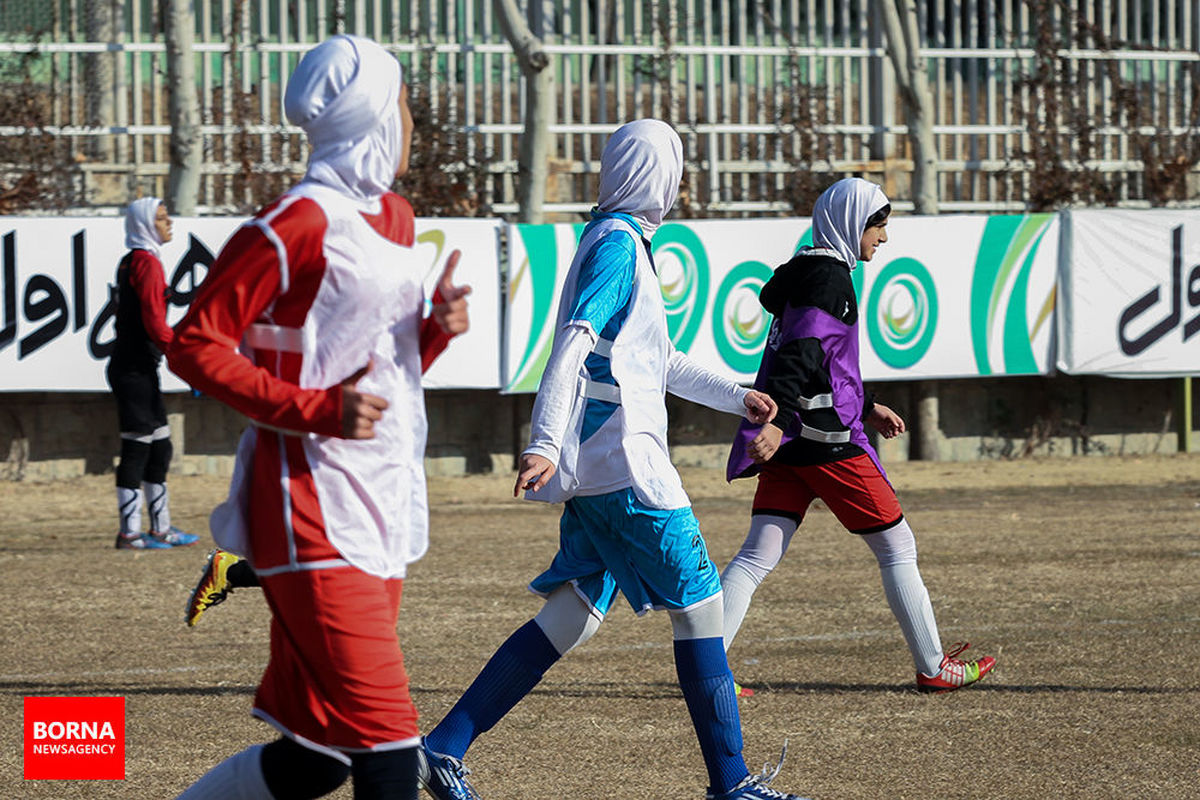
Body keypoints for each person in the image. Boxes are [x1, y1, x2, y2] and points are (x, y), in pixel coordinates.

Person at [415, 119, 811, 800]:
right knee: (704, 610)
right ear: (655, 175)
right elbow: (573, 342)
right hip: (627, 468)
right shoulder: (619, 247)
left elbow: (656, 360)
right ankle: (732, 785)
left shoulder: (613, 239)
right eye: (675, 166)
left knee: (570, 614)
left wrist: (737, 394)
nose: (680, 181)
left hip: (600, 469)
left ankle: (441, 748)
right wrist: (542, 440)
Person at [168, 34, 469, 800]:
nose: (411, 122)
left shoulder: (397, 216)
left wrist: (435, 327)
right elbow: (195, 344)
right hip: (306, 503)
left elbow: (377, 369)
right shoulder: (294, 221)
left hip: (379, 502)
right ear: (373, 115)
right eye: (401, 104)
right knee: (393, 750)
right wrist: (314, 411)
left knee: (318, 759)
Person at [721, 177, 995, 694]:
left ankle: (707, 667)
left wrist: (866, 406)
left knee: (756, 556)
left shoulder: (804, 271)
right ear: (852, 223)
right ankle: (934, 668)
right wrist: (777, 423)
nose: (883, 238)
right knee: (898, 547)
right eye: (879, 225)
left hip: (794, 443)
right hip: (825, 445)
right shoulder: (829, 280)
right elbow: (802, 356)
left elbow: (822, 362)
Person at [109, 196, 199, 550]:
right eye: (162, 218)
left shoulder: (139, 259)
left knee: (160, 448)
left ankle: (160, 528)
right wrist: (184, 356)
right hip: (132, 370)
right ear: (146, 224)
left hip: (142, 368)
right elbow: (153, 321)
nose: (169, 223)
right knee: (137, 448)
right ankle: (129, 533)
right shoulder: (145, 263)